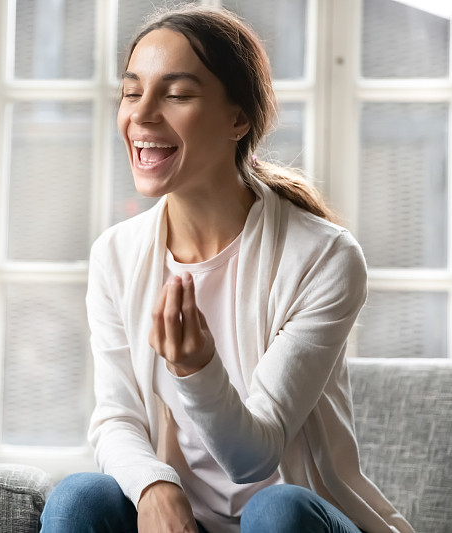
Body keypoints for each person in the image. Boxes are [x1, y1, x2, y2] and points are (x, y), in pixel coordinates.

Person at [40, 5, 413, 533]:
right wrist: (155, 486)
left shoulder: (324, 257)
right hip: (184, 523)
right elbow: (117, 416)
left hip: (293, 517)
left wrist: (197, 370)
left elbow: (254, 460)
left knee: (275, 509)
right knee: (79, 498)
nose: (142, 114)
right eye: (131, 91)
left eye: (176, 94)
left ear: (238, 118)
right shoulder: (116, 255)